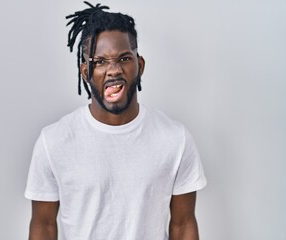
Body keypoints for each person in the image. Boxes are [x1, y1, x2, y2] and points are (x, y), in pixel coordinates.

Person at [25, 2, 207, 239]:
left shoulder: (175, 139)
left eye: (123, 59)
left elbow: (182, 226)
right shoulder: (54, 141)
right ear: (85, 72)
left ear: (139, 65)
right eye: (100, 62)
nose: (113, 70)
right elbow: (44, 225)